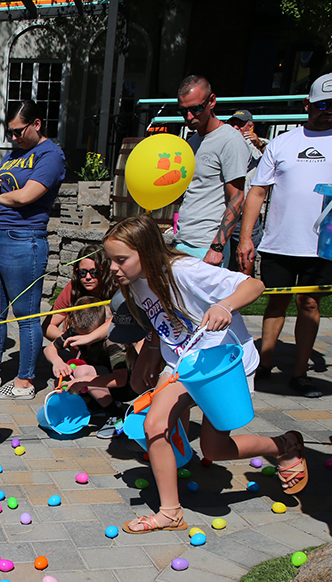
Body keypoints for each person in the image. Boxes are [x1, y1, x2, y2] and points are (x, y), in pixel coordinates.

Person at [104, 215, 309, 534]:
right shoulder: (135, 283)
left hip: (220, 365)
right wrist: (151, 356)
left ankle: (284, 444)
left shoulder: (185, 271)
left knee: (215, 450)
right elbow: (164, 323)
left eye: (121, 259)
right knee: (154, 425)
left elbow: (254, 285)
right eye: (111, 260)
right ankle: (170, 512)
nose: (114, 268)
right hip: (182, 365)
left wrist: (225, 306)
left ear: (145, 252)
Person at [238, 74, 332, 398]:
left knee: (308, 303)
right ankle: (264, 363)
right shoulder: (283, 143)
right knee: (276, 301)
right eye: (322, 105)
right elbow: (257, 192)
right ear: (308, 105)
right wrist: (246, 238)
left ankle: (300, 371)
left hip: (321, 244)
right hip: (279, 241)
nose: (328, 111)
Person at [0, 99, 66, 400]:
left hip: (23, 238)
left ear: (36, 124)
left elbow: (27, 196)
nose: (13, 138)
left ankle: (25, 380)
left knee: (25, 313)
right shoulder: (13, 155)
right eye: (9, 132)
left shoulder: (51, 155)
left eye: (17, 131)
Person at [173, 75, 249, 264]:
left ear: (212, 101)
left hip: (207, 246)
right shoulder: (192, 142)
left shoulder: (230, 140)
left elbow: (238, 197)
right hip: (182, 240)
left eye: (196, 108)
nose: (189, 116)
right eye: (183, 111)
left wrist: (217, 247)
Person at [43, 297, 130, 438]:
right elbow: (49, 349)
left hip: (121, 385)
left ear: (103, 324)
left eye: (89, 335)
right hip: (96, 378)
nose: (84, 339)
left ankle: (117, 416)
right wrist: (57, 362)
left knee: (83, 371)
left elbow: (121, 380)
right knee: (66, 376)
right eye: (80, 333)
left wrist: (85, 381)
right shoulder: (76, 330)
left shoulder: (112, 340)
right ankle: (94, 405)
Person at [42, 244, 116, 342]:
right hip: (80, 343)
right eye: (82, 272)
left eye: (94, 272)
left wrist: (90, 338)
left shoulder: (116, 287)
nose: (88, 277)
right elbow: (48, 327)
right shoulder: (73, 287)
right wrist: (69, 339)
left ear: (104, 271)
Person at [224, 109, 266, 273]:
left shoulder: (262, 145)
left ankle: (244, 294)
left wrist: (260, 144)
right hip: (225, 211)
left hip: (247, 215)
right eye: (233, 124)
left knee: (244, 260)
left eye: (241, 125)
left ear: (251, 126)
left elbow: (275, 163)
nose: (236, 128)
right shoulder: (226, 143)